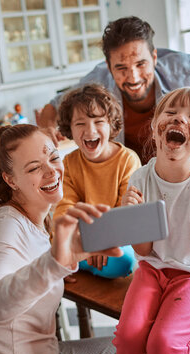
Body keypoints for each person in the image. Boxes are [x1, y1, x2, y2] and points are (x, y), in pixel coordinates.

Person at [0, 124, 122, 354]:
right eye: (34, 168)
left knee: (131, 344)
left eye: (54, 158)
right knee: (137, 348)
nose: (52, 172)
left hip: (42, 352)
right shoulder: (8, 225)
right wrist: (53, 265)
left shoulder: (30, 214)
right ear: (10, 180)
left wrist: (56, 267)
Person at [112, 87, 190, 354]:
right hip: (153, 270)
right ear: (155, 128)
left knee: (163, 344)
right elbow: (143, 251)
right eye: (171, 112)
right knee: (129, 338)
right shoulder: (140, 180)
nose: (180, 119)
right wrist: (133, 218)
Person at [37, 16, 190, 164]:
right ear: (108, 65)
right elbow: (53, 106)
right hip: (128, 177)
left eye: (141, 64)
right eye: (121, 68)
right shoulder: (98, 80)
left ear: (154, 57)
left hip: (182, 173)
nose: (133, 77)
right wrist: (46, 129)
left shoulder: (183, 70)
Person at [53, 83, 141, 278]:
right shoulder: (69, 163)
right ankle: (77, 262)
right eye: (80, 123)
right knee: (47, 248)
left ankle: (73, 264)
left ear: (111, 124)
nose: (90, 130)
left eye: (98, 121)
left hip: (114, 239)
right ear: (70, 129)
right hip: (80, 239)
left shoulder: (128, 160)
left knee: (122, 260)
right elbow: (64, 209)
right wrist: (87, 243)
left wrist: (101, 242)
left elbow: (125, 214)